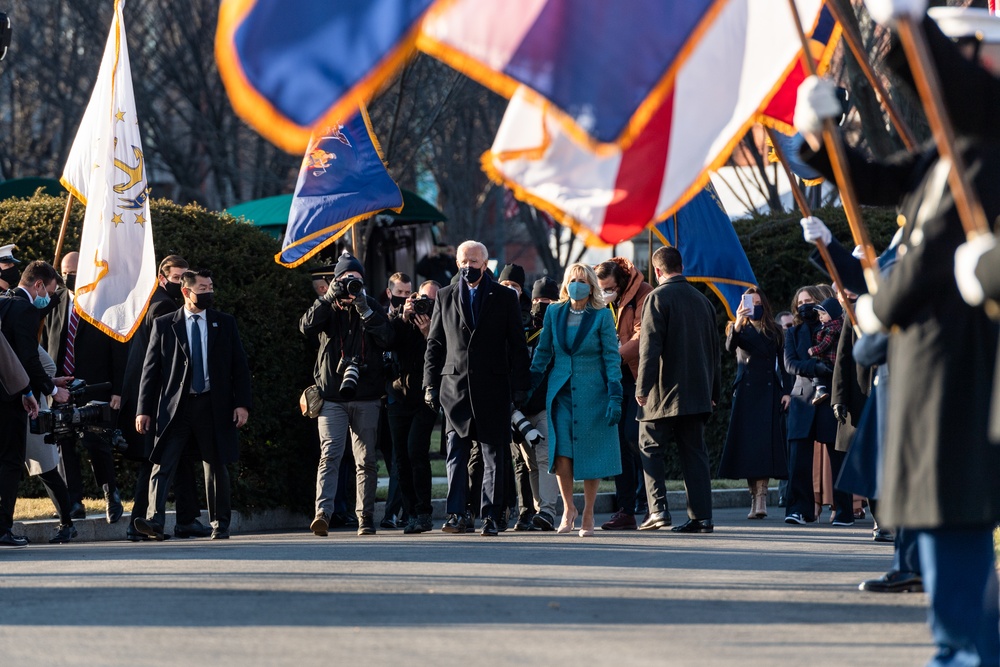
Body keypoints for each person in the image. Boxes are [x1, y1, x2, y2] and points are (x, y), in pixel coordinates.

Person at [797, 4, 1000, 661]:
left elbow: (933, 251)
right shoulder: (953, 151)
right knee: (946, 544)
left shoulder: (990, 144)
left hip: (963, 376)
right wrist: (821, 135)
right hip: (928, 376)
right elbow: (875, 181)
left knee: (959, 559)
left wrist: (879, 305)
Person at [134, 269, 252, 541]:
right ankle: (154, 521)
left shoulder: (224, 322)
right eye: (202, 287)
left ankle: (220, 524)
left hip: (213, 405)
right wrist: (143, 409)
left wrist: (242, 404)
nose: (208, 292)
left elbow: (240, 367)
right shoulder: (165, 324)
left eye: (211, 286)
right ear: (186, 292)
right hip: (177, 407)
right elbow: (151, 370)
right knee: (163, 462)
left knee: (215, 466)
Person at [422, 240, 530, 536]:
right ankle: (456, 513)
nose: (468, 266)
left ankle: (492, 516)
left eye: (474, 261)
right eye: (464, 261)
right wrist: (429, 384)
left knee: (493, 453)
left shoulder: (504, 296)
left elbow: (517, 345)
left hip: (494, 387)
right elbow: (434, 344)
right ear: (458, 263)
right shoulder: (444, 296)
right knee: (455, 453)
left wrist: (520, 387)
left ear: (485, 265)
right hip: (454, 388)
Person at [300, 251, 392, 537]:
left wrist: (365, 310)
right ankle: (322, 514)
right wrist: (327, 299)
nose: (352, 284)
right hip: (331, 397)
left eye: (357, 279)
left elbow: (389, 338)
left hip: (366, 396)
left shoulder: (371, 306)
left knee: (365, 460)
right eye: (346, 279)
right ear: (336, 280)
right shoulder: (327, 308)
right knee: (330, 455)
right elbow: (305, 327)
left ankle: (365, 517)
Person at [120, 255, 210, 541]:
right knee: (156, 461)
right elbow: (165, 361)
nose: (181, 283)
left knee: (175, 460)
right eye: (175, 278)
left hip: (155, 398)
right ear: (162, 279)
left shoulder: (149, 301)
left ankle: (186, 518)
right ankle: (139, 522)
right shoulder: (165, 307)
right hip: (165, 400)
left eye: (185, 277)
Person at [529, 262, 621, 536]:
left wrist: (615, 393)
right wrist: (528, 384)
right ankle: (569, 508)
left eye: (582, 280)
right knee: (562, 453)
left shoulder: (602, 316)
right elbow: (544, 352)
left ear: (591, 285)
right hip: (561, 394)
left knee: (592, 452)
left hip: (594, 392)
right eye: (572, 279)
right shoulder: (554, 313)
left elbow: (610, 356)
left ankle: (589, 512)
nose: (576, 284)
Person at [635, 247, 720, 534]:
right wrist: (714, 391)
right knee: (695, 454)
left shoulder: (656, 297)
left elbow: (649, 347)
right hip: (698, 391)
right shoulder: (703, 301)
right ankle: (702, 517)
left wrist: (642, 387)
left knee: (649, 448)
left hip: (661, 392)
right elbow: (714, 350)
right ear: (681, 266)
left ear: (657, 271)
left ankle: (658, 511)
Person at [43, 251, 127, 524]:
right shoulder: (54, 303)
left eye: (75, 271)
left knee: (96, 441)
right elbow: (46, 343)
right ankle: (74, 501)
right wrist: (47, 384)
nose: (69, 276)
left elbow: (119, 346)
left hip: (96, 386)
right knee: (63, 442)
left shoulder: (104, 303)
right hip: (61, 385)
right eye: (65, 272)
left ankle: (110, 493)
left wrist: (118, 389)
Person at [0, 260, 69, 548]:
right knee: (10, 463)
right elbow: (27, 357)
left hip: (12, 391)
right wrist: (52, 389)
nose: (49, 299)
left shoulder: (3, 303)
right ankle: (3, 527)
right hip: (11, 397)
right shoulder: (25, 309)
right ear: (39, 284)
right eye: (50, 292)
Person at [782, 285, 853, 526]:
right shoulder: (792, 333)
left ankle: (844, 510)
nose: (805, 305)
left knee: (838, 456)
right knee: (798, 459)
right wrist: (815, 368)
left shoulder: (837, 327)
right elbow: (790, 364)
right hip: (802, 399)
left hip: (830, 399)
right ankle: (799, 510)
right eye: (800, 301)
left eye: (810, 300)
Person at [717, 287, 788, 520]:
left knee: (763, 447)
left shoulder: (775, 331)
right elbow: (729, 347)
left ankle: (762, 498)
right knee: (748, 449)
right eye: (750, 302)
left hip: (768, 392)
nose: (753, 306)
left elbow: (783, 363)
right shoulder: (736, 328)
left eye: (757, 302)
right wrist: (738, 322)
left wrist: (786, 391)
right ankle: (753, 497)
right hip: (746, 393)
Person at [594, 257, 653, 531]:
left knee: (634, 437)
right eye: (600, 288)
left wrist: (613, 356)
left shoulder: (643, 294)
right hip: (615, 378)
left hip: (637, 376)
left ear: (621, 282)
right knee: (619, 444)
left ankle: (652, 503)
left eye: (608, 288)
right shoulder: (604, 300)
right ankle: (626, 510)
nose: (604, 293)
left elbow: (642, 336)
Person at [385, 280, 439, 534]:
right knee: (401, 458)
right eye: (421, 298)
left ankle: (424, 512)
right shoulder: (405, 319)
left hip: (425, 398)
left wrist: (429, 335)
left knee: (416, 451)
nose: (424, 304)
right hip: (399, 396)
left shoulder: (441, 323)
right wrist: (403, 318)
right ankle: (410, 513)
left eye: (431, 300)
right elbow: (387, 342)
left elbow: (444, 355)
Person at [510, 277, 560, 532]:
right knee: (529, 463)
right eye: (538, 300)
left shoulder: (559, 329)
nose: (541, 306)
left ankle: (548, 511)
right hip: (518, 408)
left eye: (548, 301)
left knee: (545, 458)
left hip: (543, 407)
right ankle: (539, 511)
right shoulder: (519, 327)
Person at [806, 297, 843, 405]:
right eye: (819, 315)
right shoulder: (833, 326)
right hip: (830, 358)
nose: (820, 318)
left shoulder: (832, 328)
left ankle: (820, 389)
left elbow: (826, 343)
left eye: (823, 314)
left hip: (829, 358)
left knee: (815, 365)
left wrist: (814, 350)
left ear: (832, 313)